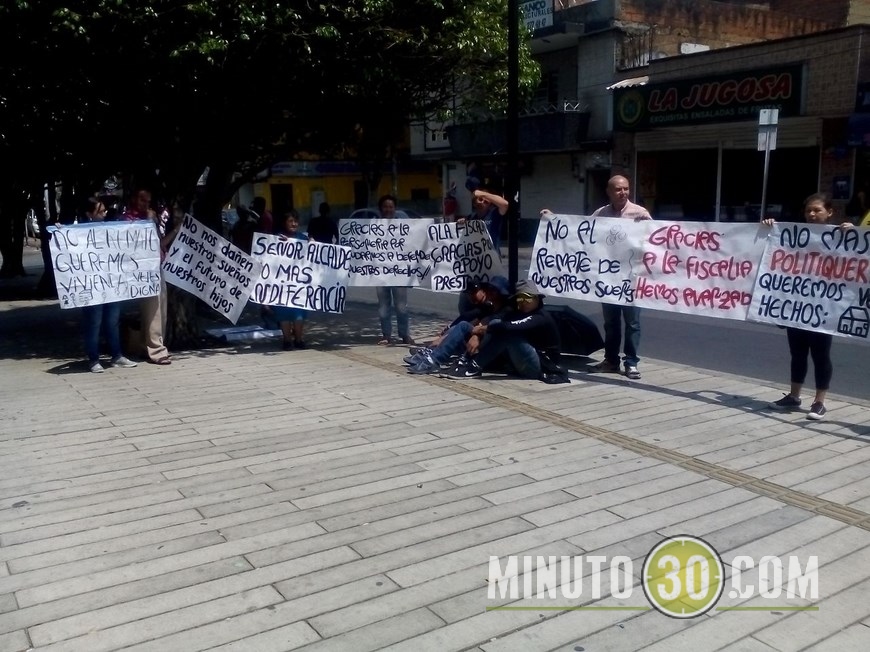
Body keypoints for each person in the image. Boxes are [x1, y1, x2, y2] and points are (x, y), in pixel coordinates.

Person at [764, 192, 851, 420]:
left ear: (829, 212)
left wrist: (853, 233)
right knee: (798, 353)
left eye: (817, 210)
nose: (811, 214)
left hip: (823, 308)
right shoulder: (794, 235)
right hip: (797, 307)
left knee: (821, 355)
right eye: (808, 211)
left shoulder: (842, 235)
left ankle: (819, 402)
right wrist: (768, 226)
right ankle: (793, 396)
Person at [590, 175, 651, 380]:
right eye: (618, 189)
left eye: (626, 189)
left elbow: (657, 239)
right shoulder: (601, 213)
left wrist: (647, 226)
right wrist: (552, 219)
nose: (623, 192)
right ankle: (611, 361)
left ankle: (631, 363)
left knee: (633, 323)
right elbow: (577, 232)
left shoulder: (640, 213)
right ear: (609, 192)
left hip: (632, 279)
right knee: (611, 323)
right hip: (609, 279)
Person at [441, 279, 562, 381]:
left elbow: (510, 326)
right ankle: (459, 360)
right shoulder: (520, 312)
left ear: (536, 298)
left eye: (527, 298)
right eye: (520, 299)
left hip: (542, 367)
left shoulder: (541, 316)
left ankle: (474, 366)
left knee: (508, 334)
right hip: (521, 361)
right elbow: (497, 319)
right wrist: (477, 335)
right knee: (470, 325)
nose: (524, 302)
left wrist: (483, 329)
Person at [78, 198, 138, 373]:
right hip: (92, 285)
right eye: (100, 211)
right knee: (94, 322)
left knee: (112, 321)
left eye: (105, 211)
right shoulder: (78, 233)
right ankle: (93, 359)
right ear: (89, 214)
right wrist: (61, 232)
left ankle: (117, 356)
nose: (105, 214)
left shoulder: (110, 230)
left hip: (111, 283)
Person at [406, 276, 511, 375]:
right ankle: (433, 356)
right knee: (462, 326)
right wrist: (445, 334)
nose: (487, 291)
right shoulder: (489, 308)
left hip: (491, 357)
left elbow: (492, 327)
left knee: (471, 326)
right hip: (475, 347)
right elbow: (469, 320)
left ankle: (434, 357)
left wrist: (476, 335)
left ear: (497, 293)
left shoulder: (506, 311)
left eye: (490, 290)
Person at [122, 187, 172, 365]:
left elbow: (159, 242)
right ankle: (157, 350)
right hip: (144, 270)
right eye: (143, 200)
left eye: (148, 202)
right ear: (135, 199)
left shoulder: (151, 217)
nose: (146, 205)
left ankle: (147, 346)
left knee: (161, 310)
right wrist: (149, 222)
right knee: (153, 311)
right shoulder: (129, 218)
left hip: (157, 266)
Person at [375, 194, 414, 345]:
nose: (388, 209)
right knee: (383, 307)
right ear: (381, 208)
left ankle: (404, 335)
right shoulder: (373, 225)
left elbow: (414, 242)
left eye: (391, 206)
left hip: (400, 273)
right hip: (380, 273)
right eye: (385, 206)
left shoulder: (404, 226)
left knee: (401, 306)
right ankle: (386, 335)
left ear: (395, 208)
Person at [271, 210, 310, 350]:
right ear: (284, 223)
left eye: (295, 221)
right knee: (284, 314)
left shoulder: (303, 239)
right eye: (290, 221)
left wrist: (313, 244)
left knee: (299, 313)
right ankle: (287, 341)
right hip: (281, 285)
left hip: (299, 285)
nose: (294, 224)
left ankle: (299, 340)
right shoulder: (276, 239)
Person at [468, 188, 509, 254]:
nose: (482, 202)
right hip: (476, 257)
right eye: (480, 199)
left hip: (492, 257)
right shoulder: (471, 217)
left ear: (489, 206)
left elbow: (505, 204)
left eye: (486, 202)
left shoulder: (495, 214)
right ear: (474, 203)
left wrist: (482, 194)